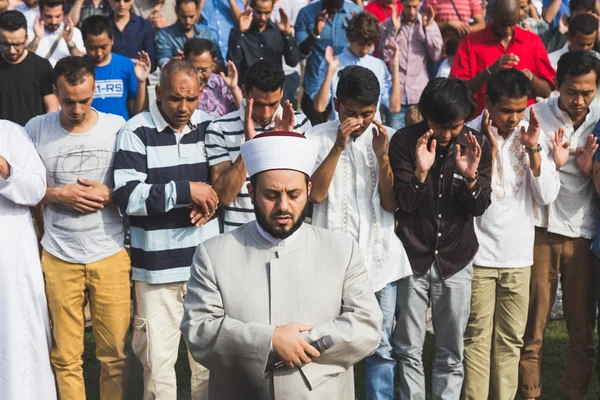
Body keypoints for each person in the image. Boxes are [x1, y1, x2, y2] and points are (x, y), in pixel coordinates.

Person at [180, 130, 383, 400]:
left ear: (309, 191)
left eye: (294, 194)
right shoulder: (213, 253)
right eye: (271, 194)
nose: (283, 206)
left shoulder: (342, 250)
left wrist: (296, 345)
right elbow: (198, 329)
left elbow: (366, 325)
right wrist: (269, 341)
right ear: (251, 192)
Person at [25, 56, 130, 400]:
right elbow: (21, 187)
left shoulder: (117, 127)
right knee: (65, 357)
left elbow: (137, 185)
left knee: (114, 356)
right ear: (55, 90)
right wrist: (57, 194)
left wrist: (110, 193)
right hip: (58, 255)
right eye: (68, 100)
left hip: (110, 252)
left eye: (85, 99)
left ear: (95, 89)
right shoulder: (36, 128)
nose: (76, 108)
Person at [307, 65, 413, 400]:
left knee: (380, 346)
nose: (360, 121)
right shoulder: (316, 137)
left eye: (367, 113)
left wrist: (382, 159)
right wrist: (338, 146)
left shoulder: (387, 138)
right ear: (337, 104)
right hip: (330, 263)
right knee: (329, 345)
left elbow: (390, 203)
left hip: (379, 262)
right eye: (351, 112)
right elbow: (316, 195)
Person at [113, 60, 217, 400]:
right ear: (158, 93)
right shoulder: (135, 131)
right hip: (156, 273)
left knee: (208, 369)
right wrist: (187, 191)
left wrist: (206, 195)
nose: (183, 107)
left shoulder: (208, 127)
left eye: (190, 98)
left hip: (205, 271)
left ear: (201, 94)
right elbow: (128, 196)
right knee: (158, 369)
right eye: (175, 99)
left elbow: (222, 187)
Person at [388, 77, 492, 399]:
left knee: (451, 351)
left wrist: (471, 176)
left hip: (455, 258)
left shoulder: (476, 144)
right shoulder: (405, 142)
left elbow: (479, 207)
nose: (446, 135)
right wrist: (421, 173)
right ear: (424, 114)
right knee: (407, 348)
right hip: (412, 257)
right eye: (438, 125)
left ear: (465, 119)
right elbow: (402, 203)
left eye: (454, 126)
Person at [462, 69, 561, 400]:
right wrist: (488, 152)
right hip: (477, 257)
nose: (514, 118)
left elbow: (546, 195)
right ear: (488, 103)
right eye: (507, 110)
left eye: (520, 109)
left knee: (510, 341)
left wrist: (533, 149)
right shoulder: (468, 135)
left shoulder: (532, 135)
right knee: (476, 339)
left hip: (518, 256)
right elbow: (471, 197)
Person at [519, 50, 600, 400]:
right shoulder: (535, 116)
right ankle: (530, 394)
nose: (579, 100)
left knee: (582, 333)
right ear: (556, 86)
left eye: (588, 92)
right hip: (541, 231)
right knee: (532, 330)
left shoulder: (599, 118)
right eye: (572, 92)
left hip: (583, 233)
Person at [205, 60, 311, 232]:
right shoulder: (219, 128)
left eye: (273, 104)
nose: (266, 113)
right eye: (259, 104)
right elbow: (223, 196)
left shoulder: (300, 123)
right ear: (245, 91)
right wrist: (250, 147)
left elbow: (304, 188)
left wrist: (283, 141)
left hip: (288, 234)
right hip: (239, 236)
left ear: (282, 93)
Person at [0, 119, 56, 400]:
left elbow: (36, 190)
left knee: (16, 337)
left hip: (10, 260)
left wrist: (5, 168)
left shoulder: (10, 133)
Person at [450, 0, 555, 114]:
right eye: (502, 24)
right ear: (492, 14)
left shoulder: (532, 41)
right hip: (482, 123)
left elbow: (546, 91)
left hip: (524, 125)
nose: (507, 30)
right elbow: (457, 91)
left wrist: (529, 77)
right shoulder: (470, 43)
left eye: (512, 23)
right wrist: (489, 71)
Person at [312, 12, 401, 122]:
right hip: (341, 131)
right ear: (349, 38)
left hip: (370, 134)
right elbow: (319, 106)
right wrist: (330, 71)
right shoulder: (333, 62)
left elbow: (395, 107)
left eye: (369, 45)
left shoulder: (378, 65)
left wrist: (395, 65)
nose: (365, 50)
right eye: (360, 44)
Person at [295, 0, 363, 125]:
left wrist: (358, 34)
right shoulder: (306, 13)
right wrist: (314, 33)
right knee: (315, 134)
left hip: (347, 88)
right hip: (315, 87)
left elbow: (368, 50)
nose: (335, 7)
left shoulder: (356, 13)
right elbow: (299, 53)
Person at [379, 0, 443, 130]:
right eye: (408, 7)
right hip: (397, 93)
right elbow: (384, 56)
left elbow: (436, 56)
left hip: (419, 95)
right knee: (395, 139)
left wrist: (428, 28)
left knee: (420, 138)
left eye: (415, 7)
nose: (412, 11)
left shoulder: (429, 24)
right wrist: (393, 30)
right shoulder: (389, 23)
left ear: (421, 4)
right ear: (401, 4)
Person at [81, 15, 150, 120]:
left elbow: (138, 113)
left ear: (112, 40)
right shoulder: (79, 67)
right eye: (92, 48)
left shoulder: (127, 66)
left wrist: (141, 82)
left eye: (104, 47)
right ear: (84, 43)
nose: (99, 53)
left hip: (120, 131)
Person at [0, 11, 58, 126]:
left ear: (26, 38)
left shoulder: (42, 67)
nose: (12, 50)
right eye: (6, 44)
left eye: (17, 44)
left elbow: (52, 109)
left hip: (33, 138)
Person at [227, 0, 301, 87]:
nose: (263, 17)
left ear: (272, 9)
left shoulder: (278, 31)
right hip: (249, 91)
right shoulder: (238, 32)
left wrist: (287, 34)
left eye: (267, 13)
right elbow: (233, 63)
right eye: (259, 12)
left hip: (274, 91)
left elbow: (292, 62)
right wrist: (240, 33)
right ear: (252, 8)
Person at [183, 38, 242, 119]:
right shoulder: (176, 83)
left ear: (213, 62)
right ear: (184, 60)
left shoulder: (221, 84)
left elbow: (245, 114)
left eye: (204, 70)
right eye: (194, 69)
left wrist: (234, 88)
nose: (199, 75)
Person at [155, 0, 222, 68]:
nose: (188, 21)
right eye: (183, 17)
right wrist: (175, 63)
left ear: (197, 12)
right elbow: (163, 61)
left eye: (191, 16)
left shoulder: (207, 34)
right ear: (176, 11)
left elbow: (219, 62)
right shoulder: (165, 35)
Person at [270, 0, 310, 109]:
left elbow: (299, 43)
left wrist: (287, 32)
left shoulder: (296, 3)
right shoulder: (257, 4)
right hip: (268, 72)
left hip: (289, 72)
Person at [27, 0, 86, 66]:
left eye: (57, 16)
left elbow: (83, 61)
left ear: (63, 13)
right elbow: (23, 60)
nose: (53, 22)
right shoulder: (30, 31)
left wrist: (69, 42)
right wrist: (36, 39)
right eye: (48, 17)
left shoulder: (74, 32)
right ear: (41, 13)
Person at [107, 0, 156, 72]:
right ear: (110, 1)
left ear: (132, 0)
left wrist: (141, 64)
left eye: (126, 0)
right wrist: (127, 63)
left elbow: (152, 63)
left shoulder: (144, 25)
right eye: (117, 0)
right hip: (111, 77)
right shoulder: (103, 25)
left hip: (137, 77)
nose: (121, 4)